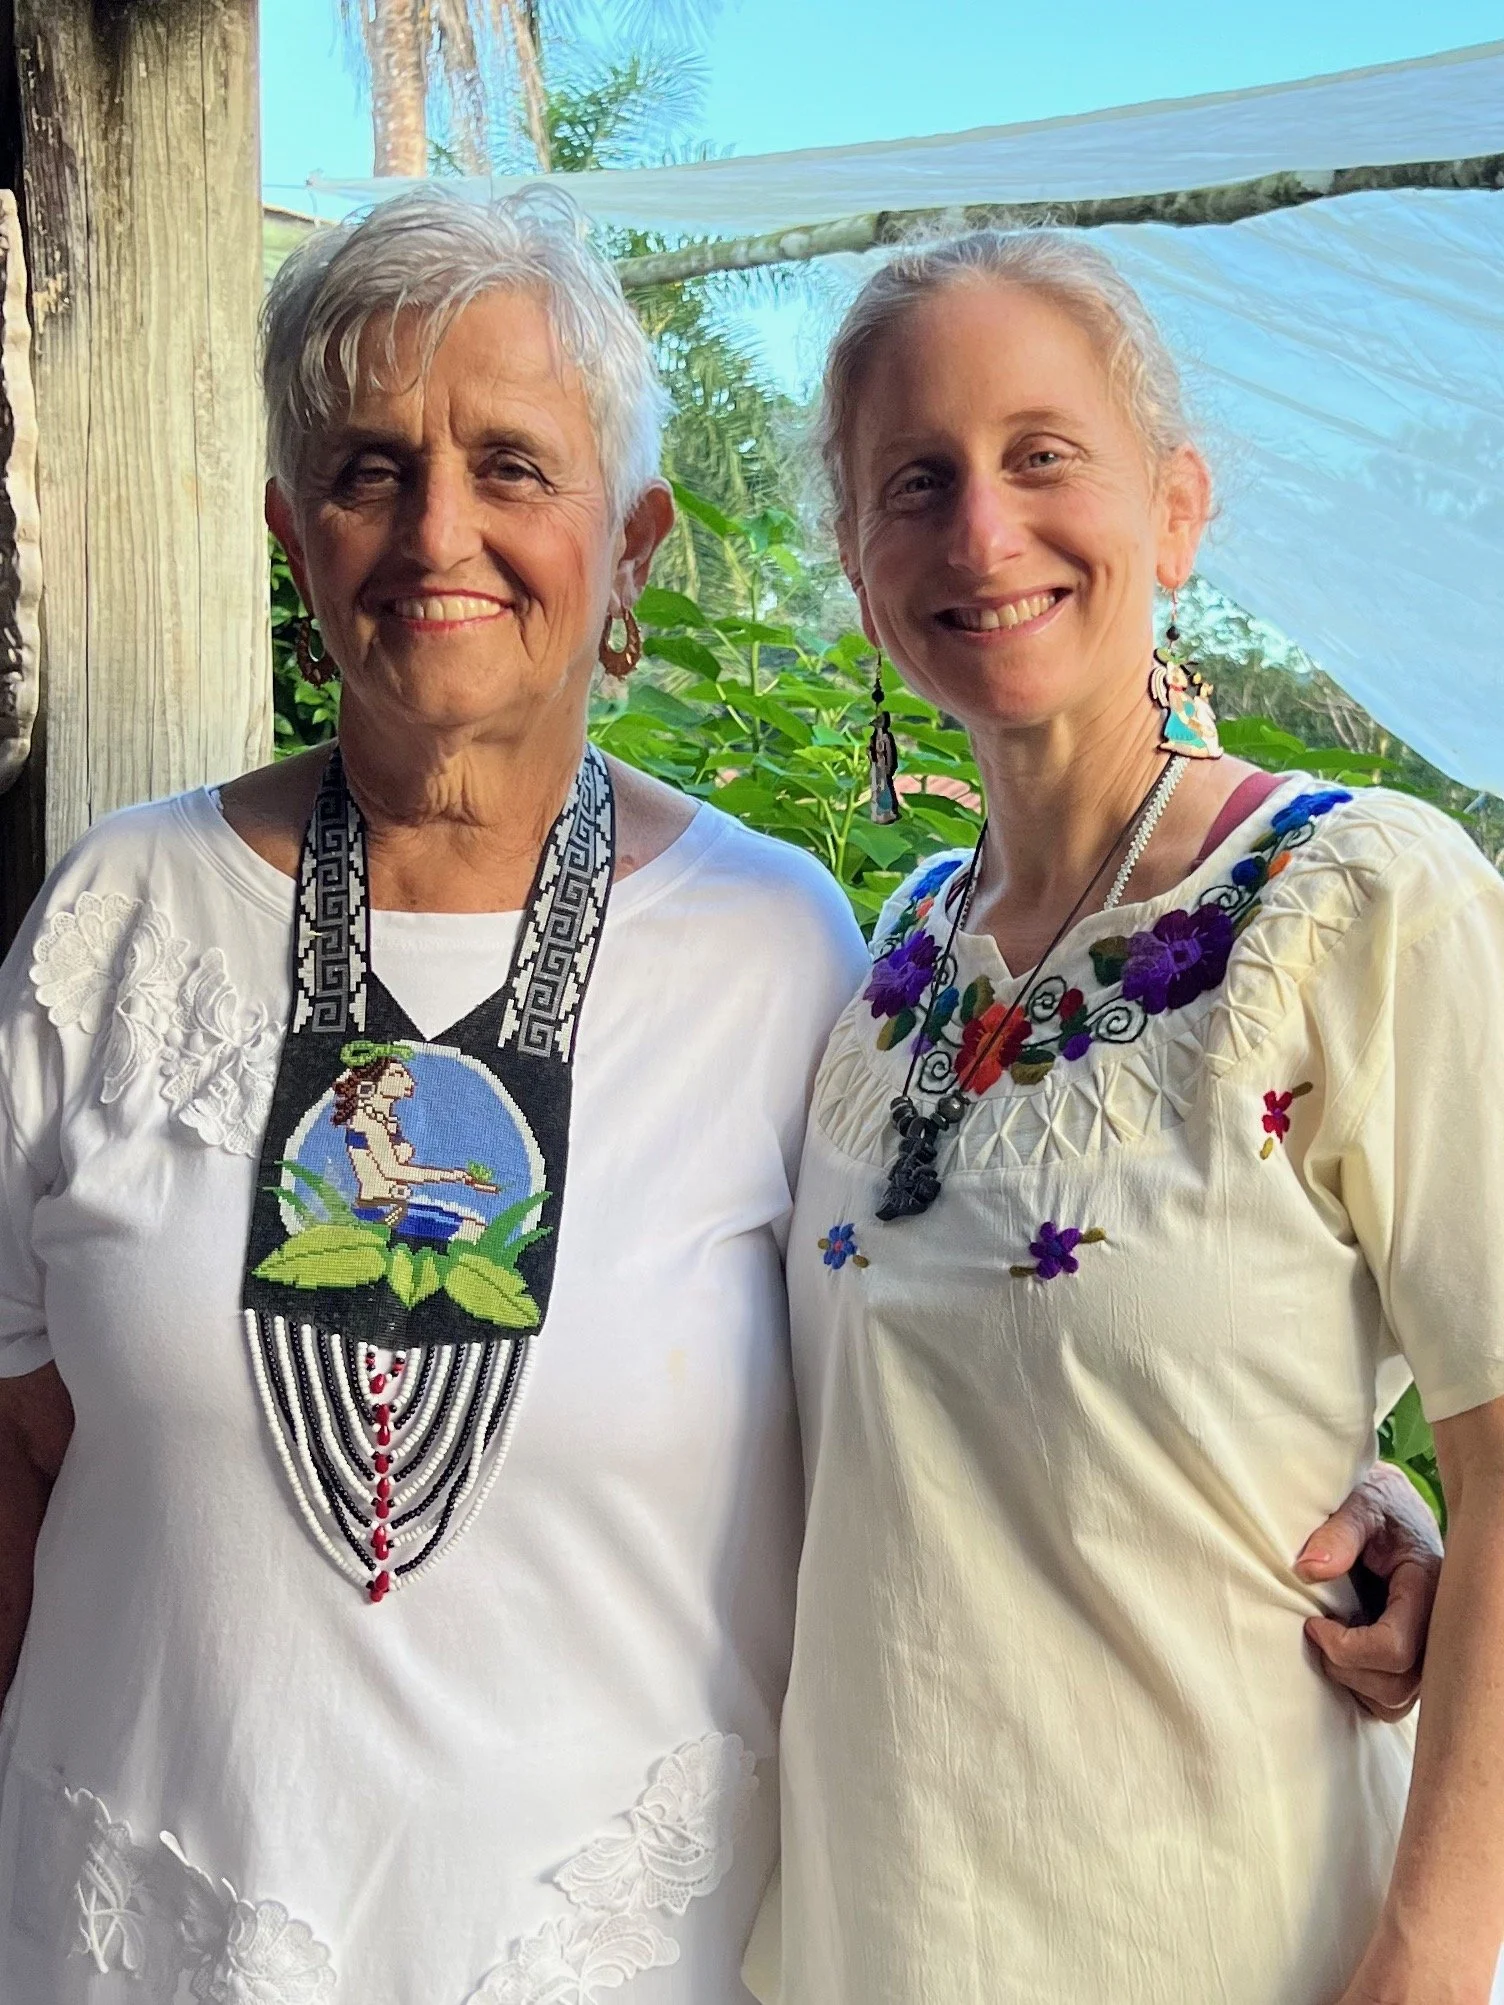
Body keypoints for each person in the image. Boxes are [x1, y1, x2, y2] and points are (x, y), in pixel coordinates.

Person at [0, 192, 1439, 2005]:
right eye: (371, 467)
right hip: (142, 1926)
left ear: (636, 548)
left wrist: (1352, 1504)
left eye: (514, 465)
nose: (438, 532)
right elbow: (24, 1435)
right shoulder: (115, 920)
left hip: (623, 1953)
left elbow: (987, 1315)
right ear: (294, 533)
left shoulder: (783, 944)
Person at [765, 229, 1504, 2005]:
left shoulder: (1364, 898)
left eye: (1041, 457)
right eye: (914, 483)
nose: (983, 535)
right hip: (874, 1942)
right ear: (862, 572)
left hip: (1243, 1939)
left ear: (1174, 512)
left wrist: (1432, 1953)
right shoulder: (892, 957)